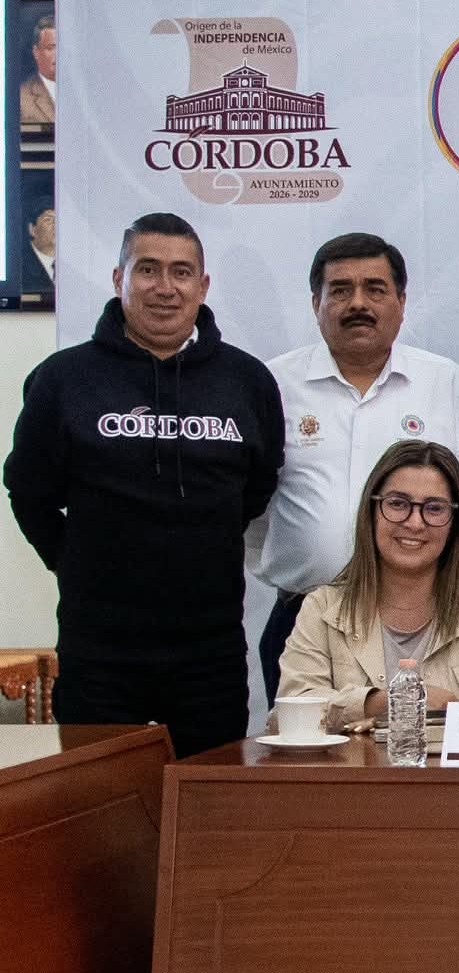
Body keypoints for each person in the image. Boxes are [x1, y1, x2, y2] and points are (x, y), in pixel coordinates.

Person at [4, 212, 283, 756]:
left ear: (203, 286)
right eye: (148, 269)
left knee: (207, 795)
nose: (165, 287)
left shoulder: (247, 381)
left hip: (209, 651)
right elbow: (29, 492)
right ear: (119, 279)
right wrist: (75, 563)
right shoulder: (63, 379)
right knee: (101, 798)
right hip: (99, 651)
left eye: (182, 272)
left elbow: (257, 485)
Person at [254, 233, 459, 702]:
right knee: (305, 746)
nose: (358, 304)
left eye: (375, 289)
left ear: (401, 302)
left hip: (426, 623)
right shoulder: (271, 384)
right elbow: (251, 505)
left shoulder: (445, 381)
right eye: (340, 290)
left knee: (426, 743)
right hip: (305, 619)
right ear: (316, 303)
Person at [276, 440, 459, 725]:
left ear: (455, 522)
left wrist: (457, 716)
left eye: (434, 508)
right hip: (356, 757)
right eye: (398, 504)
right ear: (371, 512)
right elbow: (287, 714)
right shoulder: (322, 607)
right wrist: (381, 703)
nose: (415, 523)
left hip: (457, 757)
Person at [19, 14, 53, 130]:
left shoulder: (86, 94)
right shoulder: (21, 98)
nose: (58, 54)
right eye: (51, 48)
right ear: (36, 52)